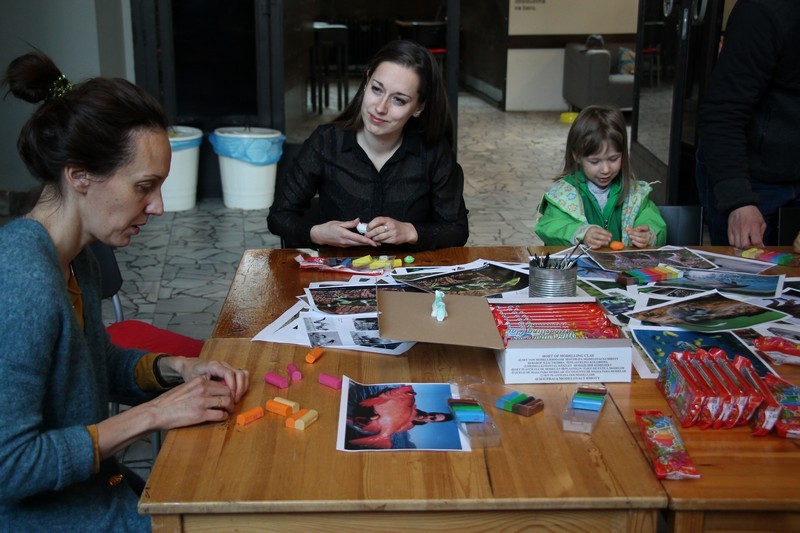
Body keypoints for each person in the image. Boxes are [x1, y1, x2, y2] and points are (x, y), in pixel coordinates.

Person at [0, 51, 250, 530]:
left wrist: (177, 368)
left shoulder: (78, 259)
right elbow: (9, 466)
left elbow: (90, 368)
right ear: (79, 176)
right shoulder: (20, 282)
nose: (157, 207)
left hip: (100, 490)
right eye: (144, 186)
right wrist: (153, 415)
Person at [267, 39, 469, 250]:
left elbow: (457, 229)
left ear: (419, 108)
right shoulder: (326, 142)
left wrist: (410, 232)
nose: (380, 108)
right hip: (337, 268)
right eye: (377, 89)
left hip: (408, 269)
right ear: (367, 81)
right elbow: (279, 216)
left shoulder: (434, 152)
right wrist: (317, 233)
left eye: (399, 100)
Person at [696, 0, 800, 248]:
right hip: (748, 174)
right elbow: (723, 112)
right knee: (746, 268)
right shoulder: (761, 11)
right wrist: (738, 200)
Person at [534, 105, 666, 249]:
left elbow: (652, 218)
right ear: (577, 155)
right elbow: (549, 226)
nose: (605, 170)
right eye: (595, 161)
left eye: (613, 159)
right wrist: (581, 233)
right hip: (579, 263)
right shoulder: (563, 195)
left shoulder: (635, 194)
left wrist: (648, 234)